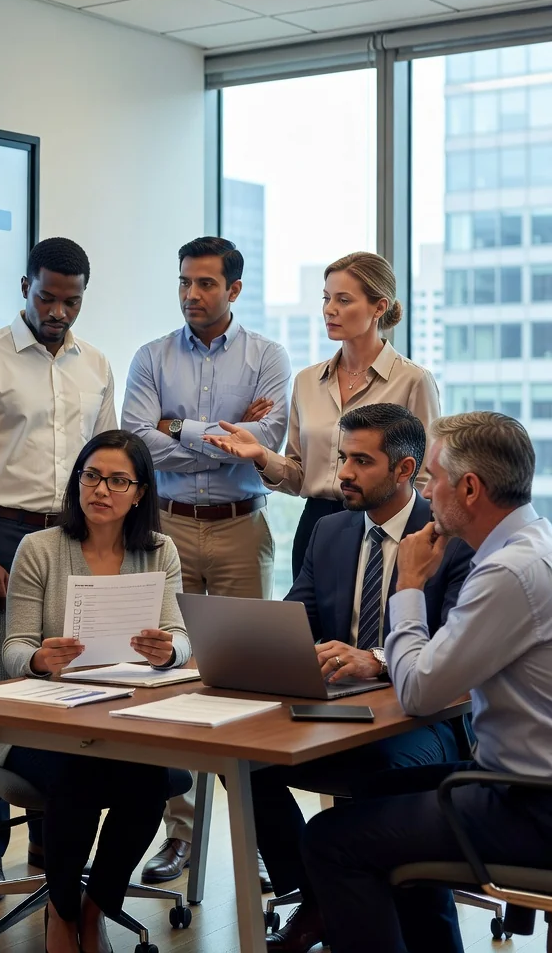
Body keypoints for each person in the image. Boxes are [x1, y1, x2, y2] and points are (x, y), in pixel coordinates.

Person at [302, 411, 552, 953]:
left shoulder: (507, 573)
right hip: (521, 783)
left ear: (469, 488)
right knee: (377, 791)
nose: (426, 492)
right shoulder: (537, 544)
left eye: (431, 479)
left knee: (330, 840)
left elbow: (418, 692)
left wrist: (409, 585)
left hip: (529, 805)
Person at [231, 404, 472, 951]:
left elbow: (460, 648)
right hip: (335, 711)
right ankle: (316, 895)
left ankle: (364, 904)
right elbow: (297, 620)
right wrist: (281, 651)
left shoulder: (448, 537)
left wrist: (380, 659)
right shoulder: (331, 532)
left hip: (422, 719)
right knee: (242, 761)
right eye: (343, 458)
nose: (342, 473)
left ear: (406, 469)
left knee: (383, 780)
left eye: (362, 461)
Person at [0, 236, 117, 890]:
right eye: (47, 296)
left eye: (70, 300)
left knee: (69, 687)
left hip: (75, 538)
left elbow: (105, 458)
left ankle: (54, 848)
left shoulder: (96, 363)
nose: (58, 309)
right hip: (7, 537)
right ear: (26, 286)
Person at [121, 235, 291, 884]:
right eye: (186, 282)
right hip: (165, 529)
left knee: (248, 683)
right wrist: (218, 435)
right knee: (168, 678)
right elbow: (138, 443)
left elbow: (265, 442)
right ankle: (180, 836)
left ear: (235, 290)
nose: (193, 295)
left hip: (241, 531)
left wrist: (175, 429)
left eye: (207, 284)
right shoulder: (151, 355)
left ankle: (254, 840)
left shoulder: (267, 356)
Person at [3, 430, 192, 953]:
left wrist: (167, 651)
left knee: (149, 779)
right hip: (45, 723)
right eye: (91, 476)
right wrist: (40, 657)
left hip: (124, 719)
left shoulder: (160, 550)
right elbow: (13, 647)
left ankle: (96, 906)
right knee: (78, 773)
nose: (100, 489)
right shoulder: (39, 548)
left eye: (116, 480)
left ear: (139, 492)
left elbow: (180, 636)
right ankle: (62, 914)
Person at [208, 252, 440, 582]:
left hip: (383, 524)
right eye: (326, 298)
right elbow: (300, 475)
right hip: (317, 524)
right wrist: (261, 455)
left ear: (379, 307)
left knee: (375, 626)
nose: (329, 310)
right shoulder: (306, 381)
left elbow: (425, 477)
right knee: (310, 627)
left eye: (343, 300)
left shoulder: (413, 381)